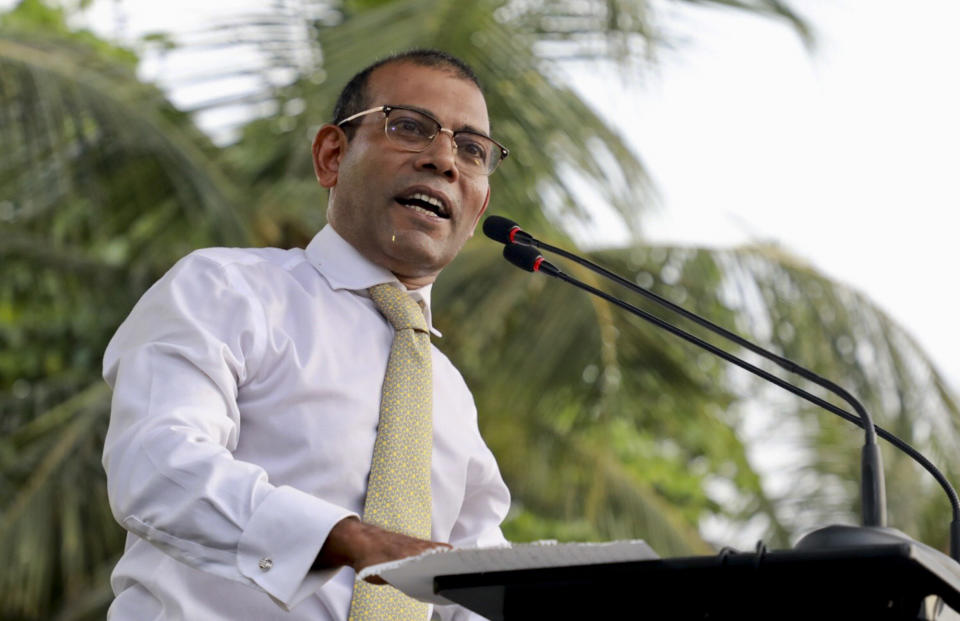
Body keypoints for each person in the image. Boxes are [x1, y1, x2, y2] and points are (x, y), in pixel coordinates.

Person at [101, 49, 511, 620]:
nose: (444, 160)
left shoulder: (452, 398)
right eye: (410, 127)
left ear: (480, 203)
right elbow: (157, 466)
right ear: (331, 156)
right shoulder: (227, 290)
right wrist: (345, 539)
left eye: (471, 150)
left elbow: (478, 583)